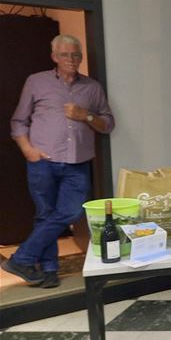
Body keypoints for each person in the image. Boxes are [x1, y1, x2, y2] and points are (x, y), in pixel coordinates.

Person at [3, 35, 115, 289]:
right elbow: (18, 121)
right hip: (42, 161)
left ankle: (22, 258)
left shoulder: (92, 87)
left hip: (78, 162)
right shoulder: (36, 82)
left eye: (76, 55)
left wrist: (85, 115)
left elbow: (107, 124)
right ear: (54, 56)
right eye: (65, 55)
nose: (72, 60)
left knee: (73, 212)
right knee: (45, 215)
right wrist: (27, 149)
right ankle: (49, 270)